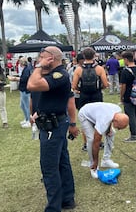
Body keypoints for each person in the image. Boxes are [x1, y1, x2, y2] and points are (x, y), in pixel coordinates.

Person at [27, 46, 79, 212]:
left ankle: (53, 208)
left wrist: (38, 66)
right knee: (62, 162)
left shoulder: (60, 75)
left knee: (49, 167)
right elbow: (45, 97)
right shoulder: (52, 75)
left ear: (52, 58)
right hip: (52, 122)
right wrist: (37, 112)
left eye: (43, 56)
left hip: (53, 127)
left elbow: (31, 85)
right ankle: (67, 199)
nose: (40, 59)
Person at [78, 102, 129, 178]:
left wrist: (109, 129)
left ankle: (106, 160)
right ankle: (93, 167)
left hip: (97, 114)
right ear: (116, 121)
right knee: (91, 139)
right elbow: (96, 143)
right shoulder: (104, 121)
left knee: (111, 133)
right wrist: (96, 161)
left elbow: (110, 119)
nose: (119, 129)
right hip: (84, 115)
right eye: (119, 127)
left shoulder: (118, 110)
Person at [120, 50, 136, 142]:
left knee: (130, 115)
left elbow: (123, 86)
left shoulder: (125, 71)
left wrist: (121, 96)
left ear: (126, 59)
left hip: (128, 95)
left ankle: (133, 135)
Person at [9, 57, 33, 128]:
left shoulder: (27, 69)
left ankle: (29, 121)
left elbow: (24, 79)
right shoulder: (26, 69)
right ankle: (26, 119)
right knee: (22, 106)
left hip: (25, 90)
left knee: (27, 106)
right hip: (22, 89)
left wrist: (15, 78)